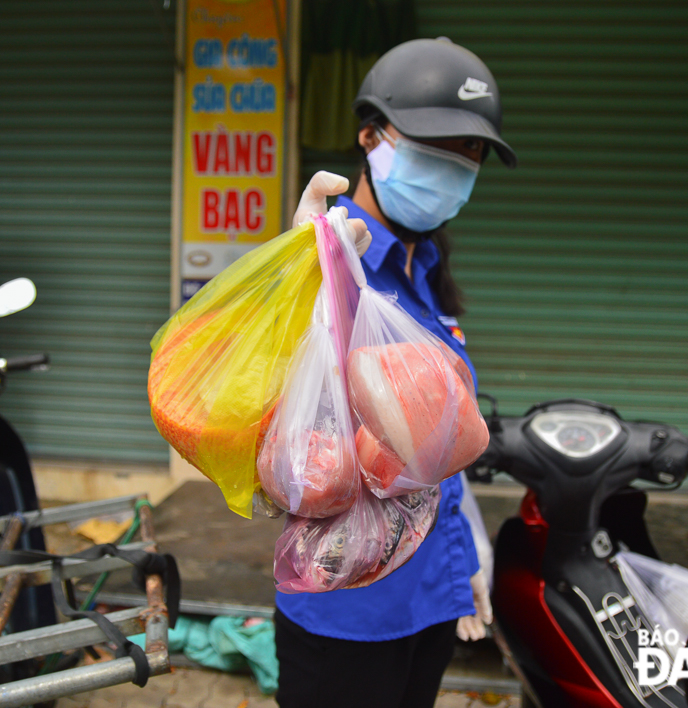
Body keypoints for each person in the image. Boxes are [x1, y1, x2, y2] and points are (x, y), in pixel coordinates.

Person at [276, 37, 517, 708]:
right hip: (348, 615)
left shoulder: (427, 270)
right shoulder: (326, 259)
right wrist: (301, 287)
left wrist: (465, 547)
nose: (453, 167)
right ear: (370, 136)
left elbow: (433, 440)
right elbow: (280, 425)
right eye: (433, 146)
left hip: (431, 598)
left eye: (469, 154)